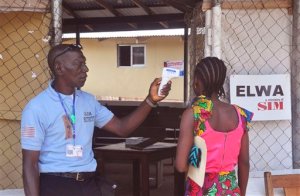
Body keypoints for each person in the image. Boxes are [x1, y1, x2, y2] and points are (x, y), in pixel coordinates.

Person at [21, 44, 171, 196]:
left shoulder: (88, 101)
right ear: (59, 68)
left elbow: (122, 128)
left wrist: (150, 100)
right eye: (78, 64)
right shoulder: (37, 108)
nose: (85, 69)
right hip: (56, 185)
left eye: (84, 63)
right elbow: (30, 165)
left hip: (88, 184)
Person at [175, 57, 253, 196]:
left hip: (200, 189)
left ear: (197, 82)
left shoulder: (193, 114)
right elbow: (244, 162)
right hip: (230, 188)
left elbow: (180, 166)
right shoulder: (240, 115)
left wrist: (198, 160)